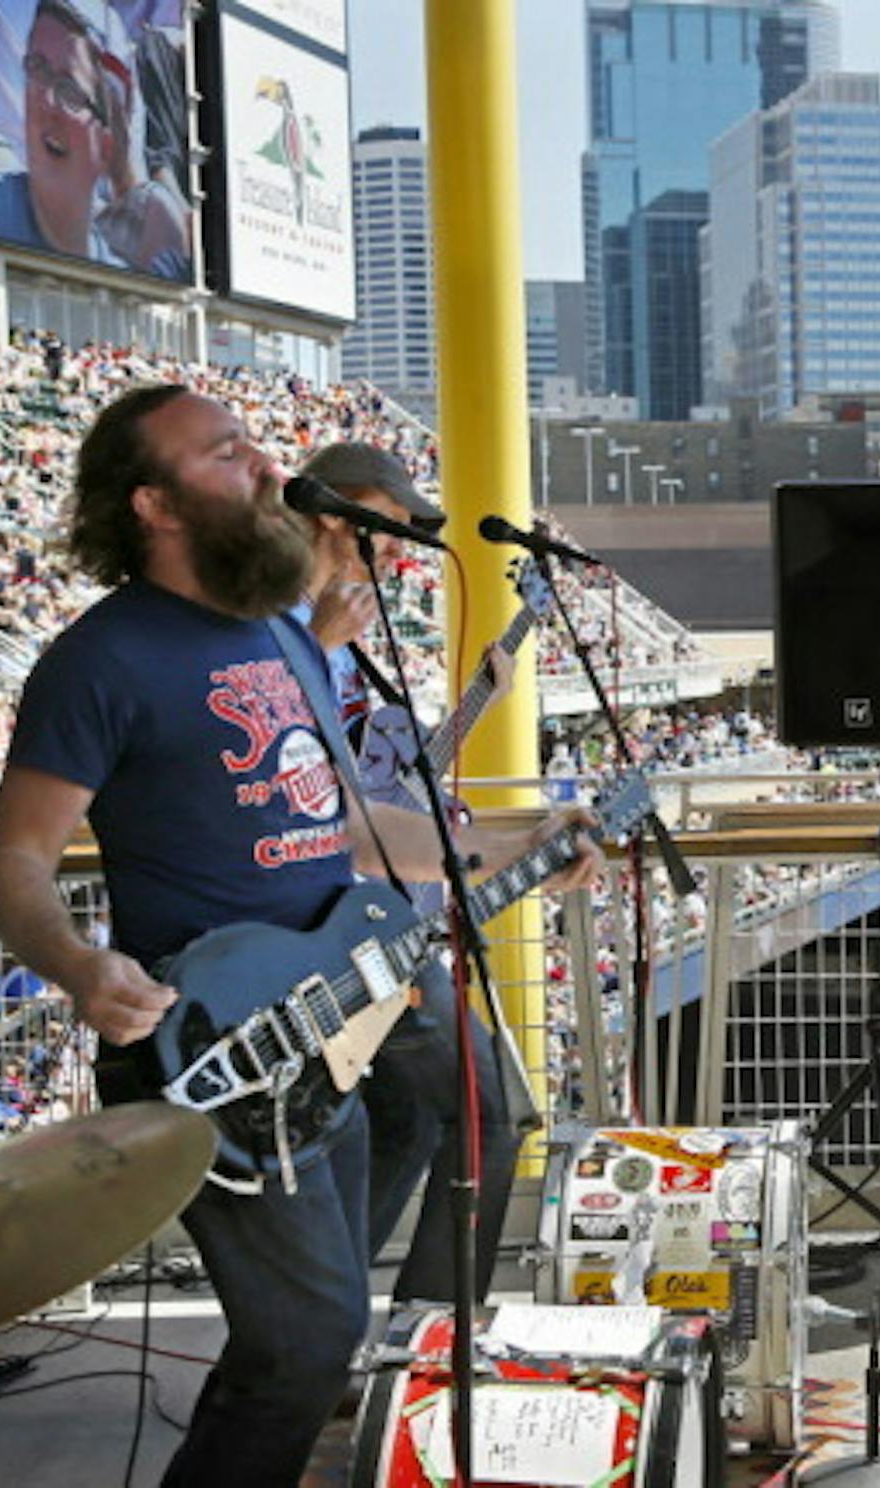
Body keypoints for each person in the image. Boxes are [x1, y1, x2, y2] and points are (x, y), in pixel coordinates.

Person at [0, 384, 604, 1487]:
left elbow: (355, 830)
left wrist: (515, 845)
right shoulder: (99, 662)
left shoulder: (283, 632)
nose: (268, 466)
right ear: (154, 505)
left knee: (302, 1336)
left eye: (255, 443)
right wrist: (78, 967)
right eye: (226, 454)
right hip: (213, 1040)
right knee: (307, 1339)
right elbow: (17, 864)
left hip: (331, 1009)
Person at [292, 439, 527, 1305]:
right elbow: (311, 792)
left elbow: (383, 784)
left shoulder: (346, 638)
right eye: (388, 522)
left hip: (371, 926)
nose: (397, 545)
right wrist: (317, 644)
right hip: (337, 931)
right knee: (484, 1111)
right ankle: (417, 1325)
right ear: (333, 510)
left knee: (413, 1114)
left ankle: (346, 1313)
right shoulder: (286, 625)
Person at [0, 0, 131, 269]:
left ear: (106, 148)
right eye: (37, 69)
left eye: (69, 90)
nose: (45, 99)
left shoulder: (116, 279)